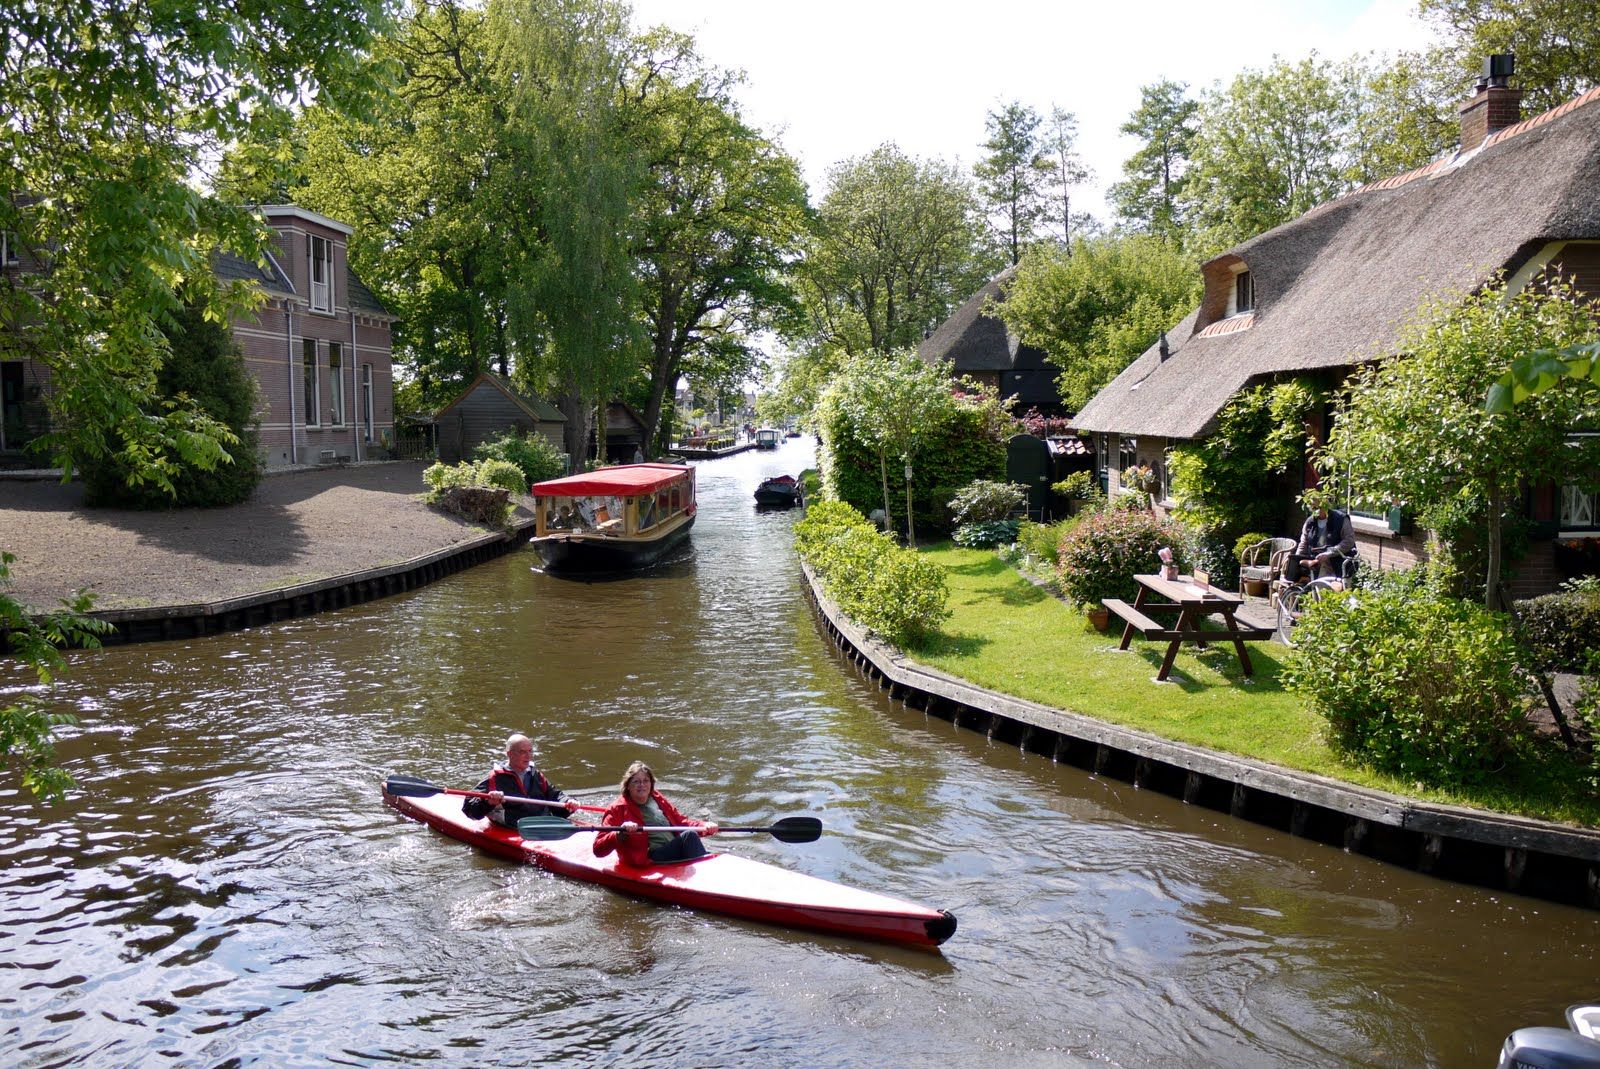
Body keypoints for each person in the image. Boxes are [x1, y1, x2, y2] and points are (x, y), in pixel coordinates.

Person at [593, 760, 718, 866]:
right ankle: (704, 870)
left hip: (671, 849)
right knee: (689, 836)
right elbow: (598, 849)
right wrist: (619, 833)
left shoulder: (657, 798)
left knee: (689, 836)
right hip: (649, 857)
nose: (642, 785)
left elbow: (681, 821)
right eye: (636, 781)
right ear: (628, 786)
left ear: (651, 784)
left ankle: (703, 863)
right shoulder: (617, 808)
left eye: (646, 781)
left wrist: (704, 826)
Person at [462, 733, 578, 827]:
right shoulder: (494, 778)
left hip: (541, 824)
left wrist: (568, 802)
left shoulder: (536, 775)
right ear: (509, 754)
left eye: (530, 751)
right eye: (522, 752)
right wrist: (488, 802)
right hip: (513, 827)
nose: (528, 756)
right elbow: (469, 809)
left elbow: (556, 796)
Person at [1286, 492, 1356, 583]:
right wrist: (1297, 559)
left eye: (1318, 508)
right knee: (1318, 590)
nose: (1316, 511)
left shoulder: (1341, 519)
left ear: (1326, 506)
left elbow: (1349, 541)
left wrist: (1330, 553)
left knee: (1337, 592)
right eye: (1313, 508)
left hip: (1338, 562)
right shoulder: (1310, 522)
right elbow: (1303, 543)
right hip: (1317, 562)